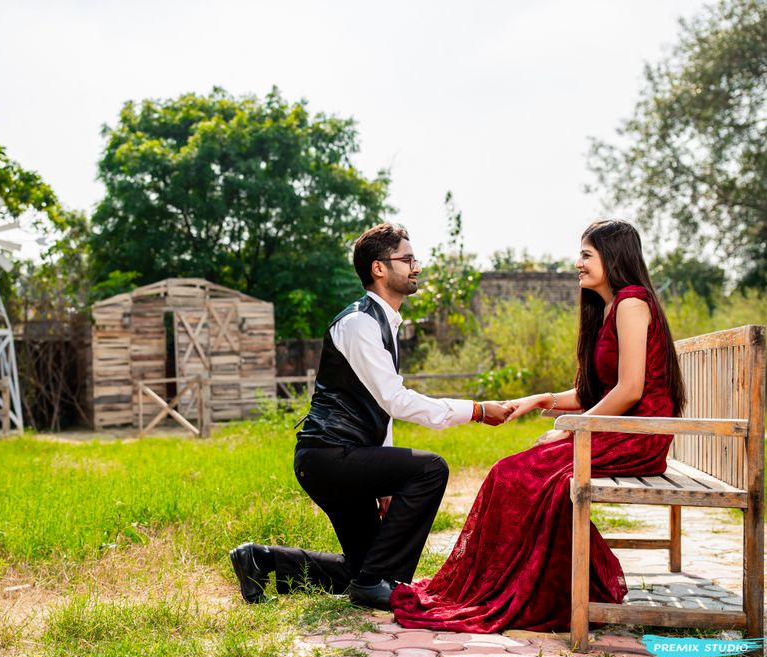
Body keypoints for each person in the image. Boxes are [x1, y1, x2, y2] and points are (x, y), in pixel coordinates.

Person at [390, 219, 687, 632]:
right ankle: (536, 585)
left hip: (639, 436)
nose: (578, 264)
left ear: (613, 257)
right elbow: (596, 390)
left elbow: (631, 389)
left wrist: (573, 427)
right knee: (511, 474)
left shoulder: (633, 302)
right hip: (621, 429)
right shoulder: (610, 308)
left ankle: (533, 590)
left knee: (517, 476)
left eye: (586, 255)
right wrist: (540, 400)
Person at [229, 223, 513, 611]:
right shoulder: (360, 323)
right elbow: (396, 400)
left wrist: (385, 486)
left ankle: (262, 559)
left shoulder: (384, 323)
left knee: (360, 569)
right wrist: (477, 411)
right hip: (329, 457)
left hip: (344, 458)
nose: (416, 267)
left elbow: (382, 408)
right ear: (379, 268)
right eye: (407, 259)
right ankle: (377, 582)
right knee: (431, 470)